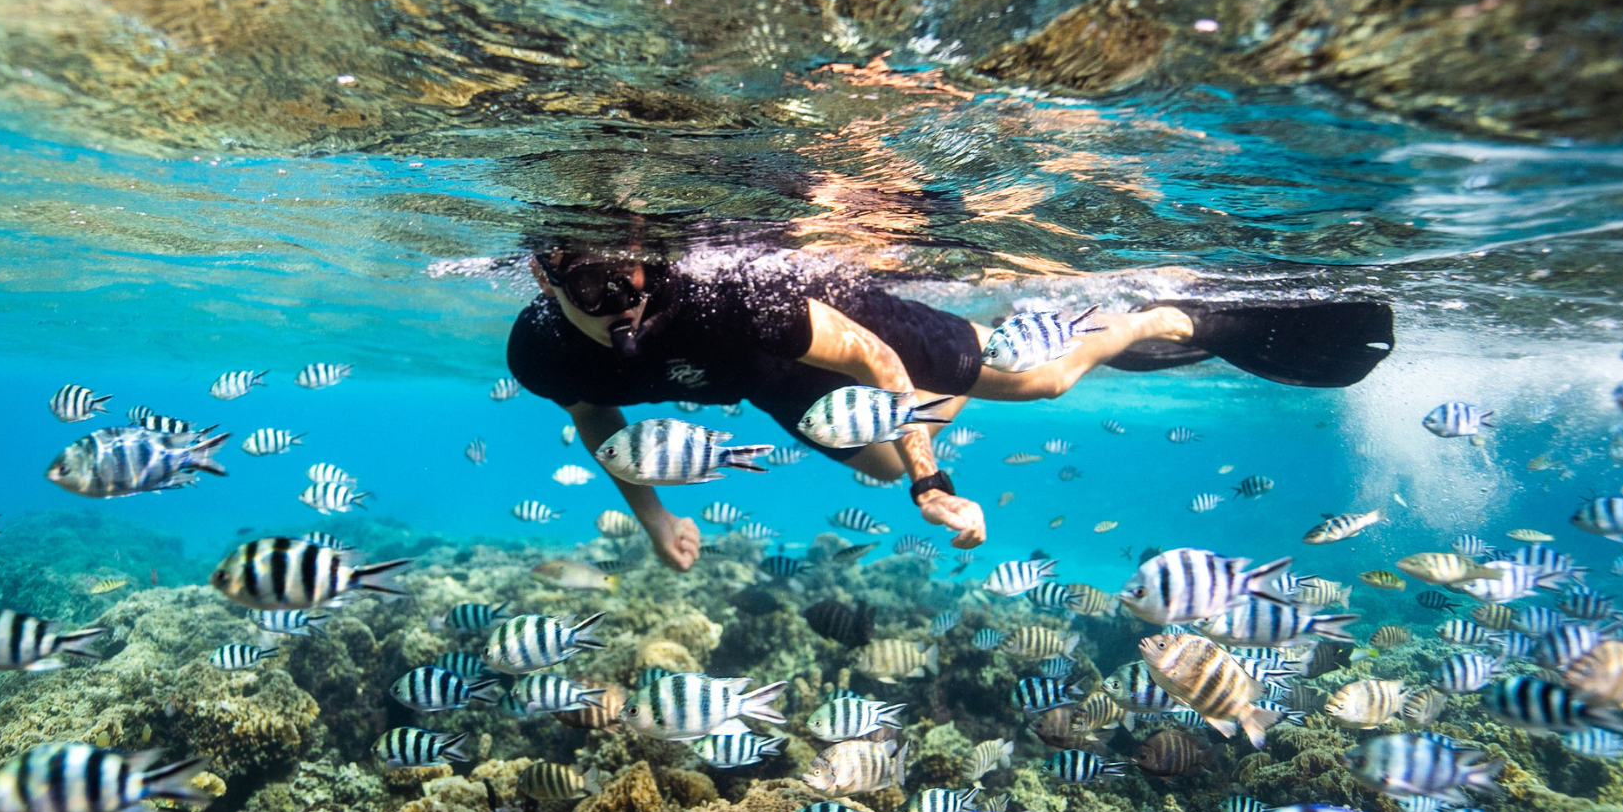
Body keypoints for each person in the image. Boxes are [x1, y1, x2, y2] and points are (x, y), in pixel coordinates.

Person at [506, 244, 1392, 571]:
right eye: (596, 285)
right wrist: (657, 516)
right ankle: (998, 341)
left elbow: (873, 357)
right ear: (546, 278)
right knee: (880, 460)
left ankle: (1158, 317)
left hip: (845, 322)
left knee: (1040, 382)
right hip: (773, 383)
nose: (629, 298)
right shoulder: (541, 350)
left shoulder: (724, 296)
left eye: (640, 271)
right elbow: (594, 417)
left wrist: (931, 481)